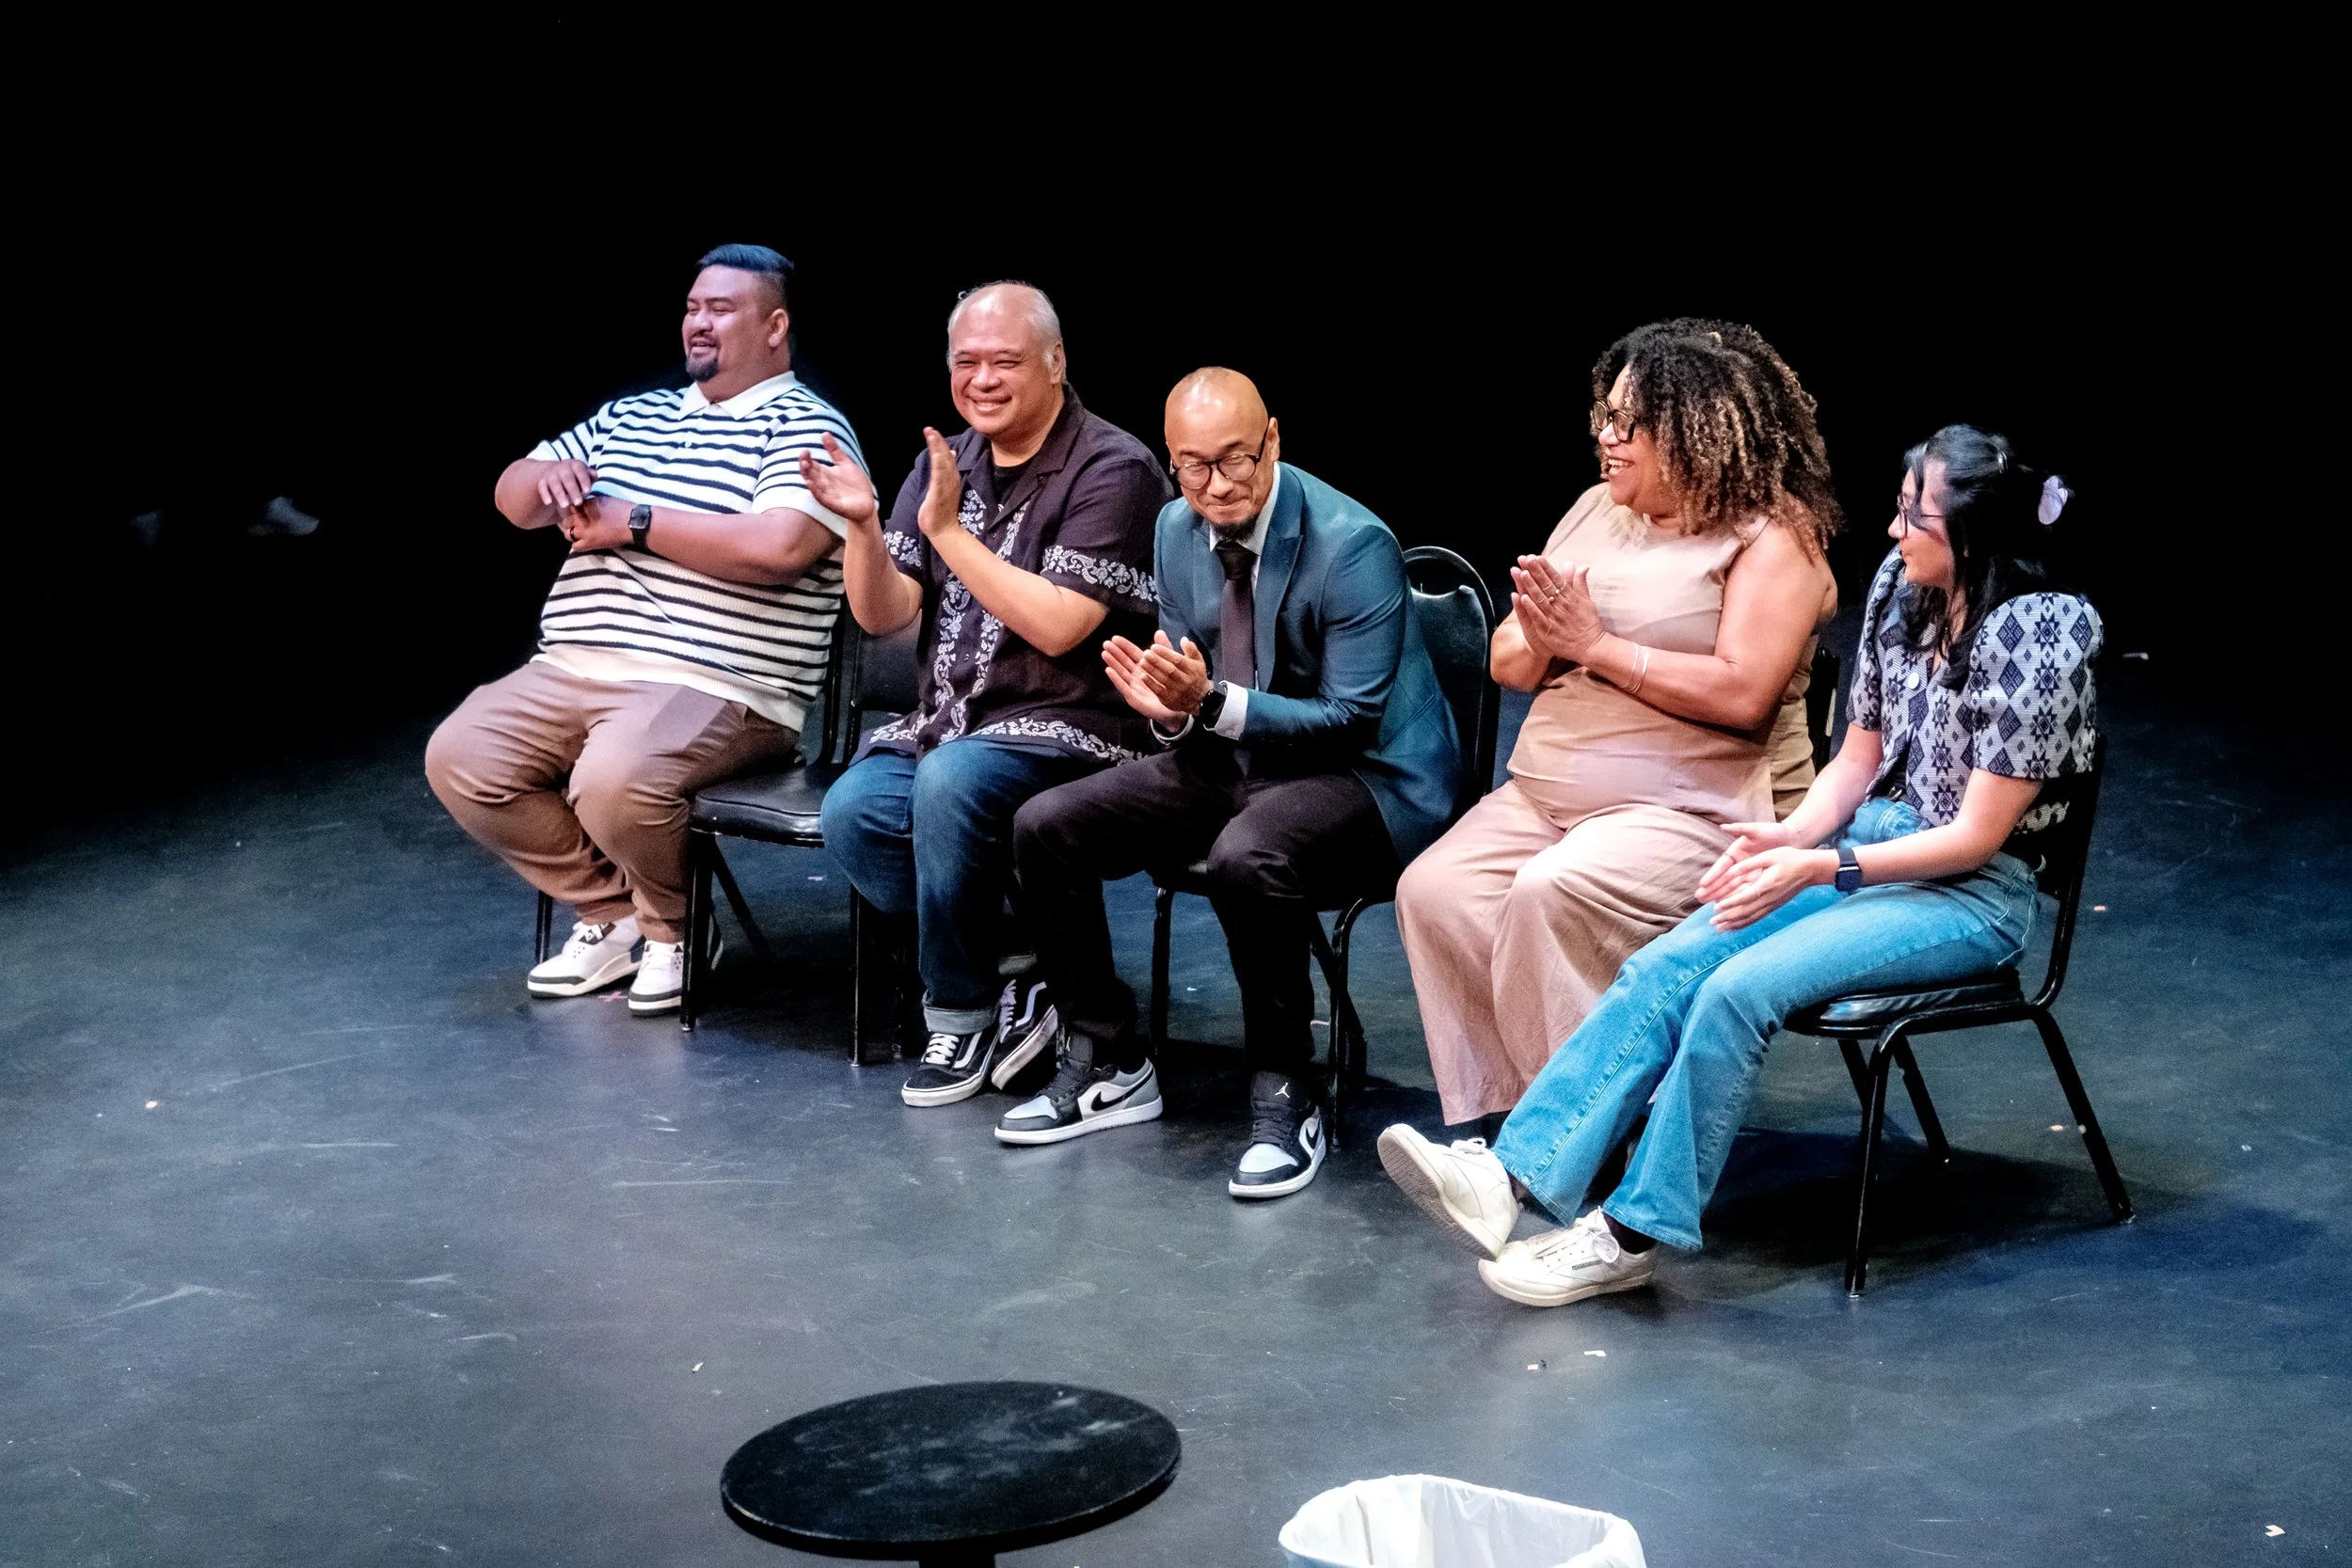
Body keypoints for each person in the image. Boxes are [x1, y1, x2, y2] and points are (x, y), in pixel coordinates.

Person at [1379, 425, 2098, 1307]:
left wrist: (1822, 868)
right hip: (1872, 838)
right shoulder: (1901, 587)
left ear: (1974, 534)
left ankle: (1627, 1235)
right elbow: (1856, 761)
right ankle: (1509, 1176)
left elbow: (1976, 839)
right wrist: (1791, 839)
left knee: (1735, 991)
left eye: (1916, 517)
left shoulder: (2040, 633)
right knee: (1672, 961)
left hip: (1970, 894)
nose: (1892, 530)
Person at [1005, 368, 1460, 1199]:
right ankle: (1108, 1055)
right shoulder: (1174, 527)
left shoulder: (1353, 543)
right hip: (1243, 756)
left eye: (1235, 459)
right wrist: (1170, 715)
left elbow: (1349, 717)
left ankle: (1287, 1089)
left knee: (1248, 854)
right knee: (1047, 823)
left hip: (1370, 778)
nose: (1215, 485)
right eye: (1193, 465)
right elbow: (1189, 685)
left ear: (1273, 440)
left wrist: (1209, 703)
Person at [1395, 319, 1838, 1128]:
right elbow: (1507, 657)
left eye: (1630, 422)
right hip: (1550, 797)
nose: (1606, 436)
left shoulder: (1775, 536)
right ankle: (1517, 1120)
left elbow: (1744, 693)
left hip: (1698, 810)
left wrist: (1596, 646)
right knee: (1436, 888)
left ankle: (1577, 1131)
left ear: (1695, 429)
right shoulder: (1597, 509)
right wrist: (1549, 639)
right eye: (1605, 415)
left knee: (1550, 890)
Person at [426, 245, 863, 1014]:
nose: (699, 323)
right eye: (693, 308)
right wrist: (543, 480)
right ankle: (615, 912)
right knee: (461, 755)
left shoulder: (808, 426)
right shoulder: (633, 415)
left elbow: (780, 548)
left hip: (719, 681)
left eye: (721, 309)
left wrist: (635, 521)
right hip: (574, 665)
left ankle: (677, 929)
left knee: (615, 777)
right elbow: (513, 496)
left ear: (775, 326)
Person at [798, 284, 1171, 1107]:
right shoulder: (949, 461)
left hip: (1076, 730)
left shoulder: (1113, 467)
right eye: (966, 362)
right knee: (855, 812)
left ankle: (960, 1012)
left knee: (950, 785)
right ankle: (1026, 962)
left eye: (1005, 361)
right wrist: (863, 526)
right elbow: (885, 613)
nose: (983, 379)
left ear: (1056, 362)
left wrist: (948, 533)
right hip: (950, 722)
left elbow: (1060, 626)